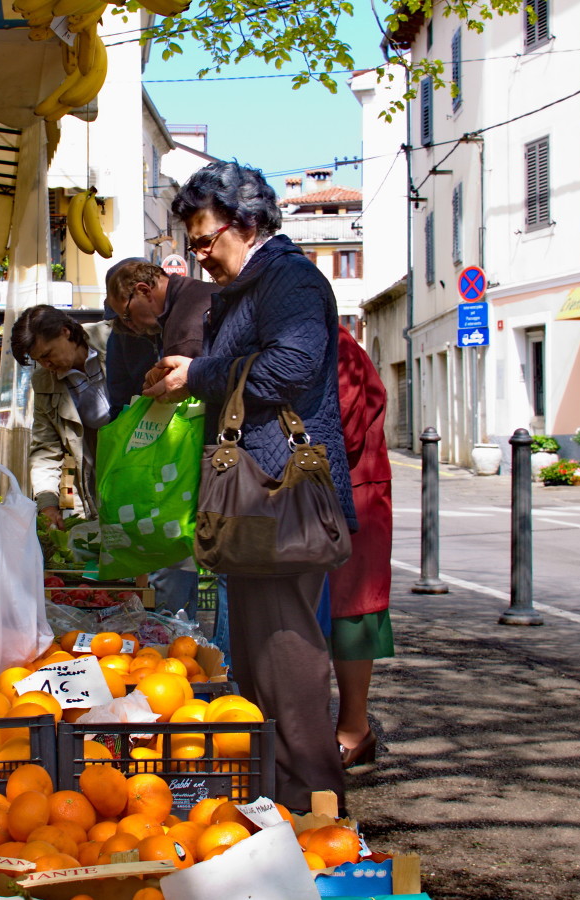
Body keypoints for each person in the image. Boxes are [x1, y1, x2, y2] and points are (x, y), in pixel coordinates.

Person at [144, 160, 357, 812]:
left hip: (280, 493)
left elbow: (289, 369)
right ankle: (284, 801)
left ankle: (317, 807)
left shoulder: (288, 280)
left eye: (206, 239)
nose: (199, 255)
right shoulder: (250, 286)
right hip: (258, 497)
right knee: (261, 657)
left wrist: (198, 375)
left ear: (245, 222)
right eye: (193, 243)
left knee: (287, 657)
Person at [104, 258, 216, 626]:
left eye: (127, 313)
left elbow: (187, 391)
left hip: (214, 454)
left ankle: (225, 666)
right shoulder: (195, 299)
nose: (128, 324)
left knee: (229, 573)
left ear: (142, 291)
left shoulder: (185, 322)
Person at [318, 325, 394, 769]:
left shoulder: (335, 343)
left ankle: (354, 729)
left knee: (352, 613)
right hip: (325, 492)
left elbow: (343, 423)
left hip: (353, 491)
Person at [11, 305, 114, 528]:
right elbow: (45, 448)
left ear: (65, 331)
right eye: (38, 360)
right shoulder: (43, 381)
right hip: (96, 485)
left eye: (47, 354)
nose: (46, 365)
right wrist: (47, 503)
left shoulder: (114, 339)